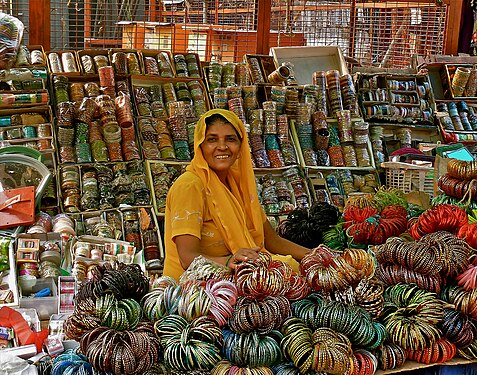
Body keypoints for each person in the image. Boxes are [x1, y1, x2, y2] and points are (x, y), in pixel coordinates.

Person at [163, 109, 311, 281]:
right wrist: (229, 262)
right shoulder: (190, 186)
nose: (222, 147)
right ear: (200, 146)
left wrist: (317, 254)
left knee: (292, 268)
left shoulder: (238, 185)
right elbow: (187, 258)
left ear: (241, 146)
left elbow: (273, 242)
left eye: (230, 139)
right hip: (192, 291)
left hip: (231, 280)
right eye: (212, 139)